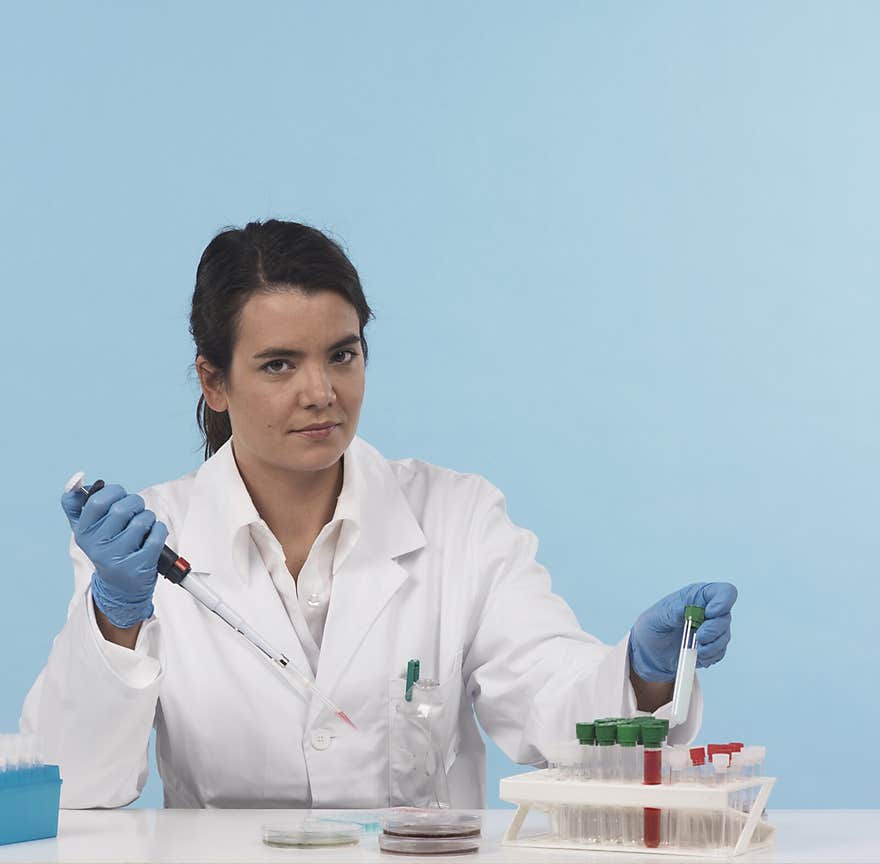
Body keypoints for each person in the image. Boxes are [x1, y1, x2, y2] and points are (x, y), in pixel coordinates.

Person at [21, 219, 736, 809]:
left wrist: (643, 675)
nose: (321, 391)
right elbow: (77, 785)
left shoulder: (458, 518)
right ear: (214, 380)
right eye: (278, 365)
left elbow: (550, 702)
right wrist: (116, 615)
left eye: (342, 355)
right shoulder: (146, 543)